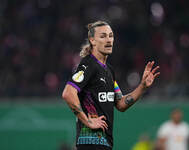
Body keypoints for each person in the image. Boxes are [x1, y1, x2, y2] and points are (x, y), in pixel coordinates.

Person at [62, 20, 160, 150]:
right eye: (103, 36)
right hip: (90, 142)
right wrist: (87, 121)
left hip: (104, 143)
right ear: (92, 40)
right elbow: (68, 93)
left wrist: (142, 86)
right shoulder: (89, 65)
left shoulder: (109, 70)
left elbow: (120, 103)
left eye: (110, 36)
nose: (108, 40)